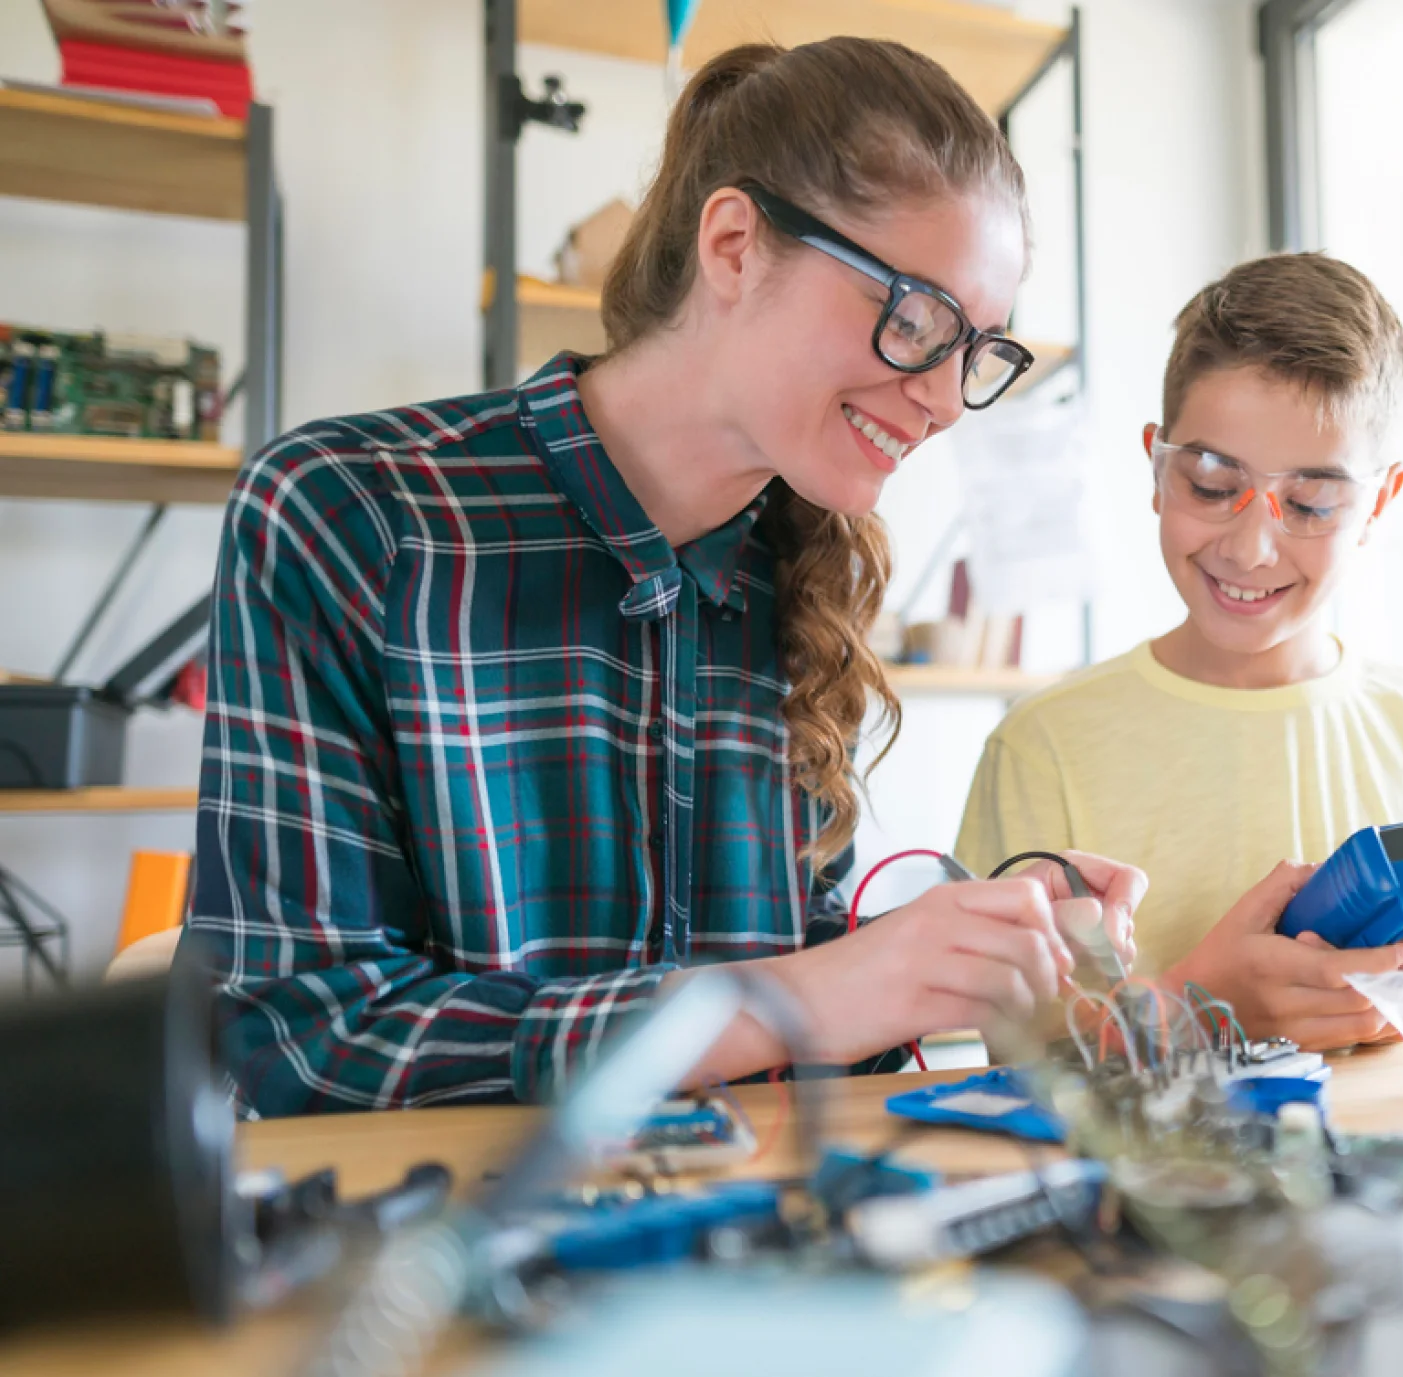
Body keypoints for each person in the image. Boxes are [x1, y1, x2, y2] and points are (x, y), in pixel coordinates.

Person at [189, 37, 1142, 1117]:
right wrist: (803, 998)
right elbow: (298, 1040)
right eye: (915, 319)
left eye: (977, 350)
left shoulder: (801, 568)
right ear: (733, 245)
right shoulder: (351, 515)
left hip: (745, 1251)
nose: (942, 399)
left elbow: (796, 1013)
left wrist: (955, 958)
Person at [954, 252, 1403, 1052]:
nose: (1252, 548)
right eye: (1214, 484)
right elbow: (1017, 1056)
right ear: (1156, 467)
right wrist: (1196, 1007)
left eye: (1312, 503)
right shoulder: (1044, 745)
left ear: (1379, 504)